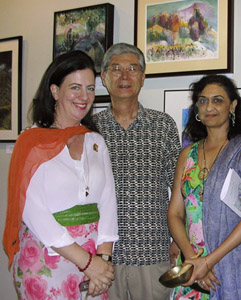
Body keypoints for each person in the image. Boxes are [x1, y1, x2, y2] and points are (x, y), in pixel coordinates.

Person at [3, 50, 119, 299]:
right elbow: (33, 212)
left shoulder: (95, 141)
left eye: (90, 88)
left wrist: (103, 259)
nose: (84, 97)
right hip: (47, 259)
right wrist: (89, 263)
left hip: (94, 266)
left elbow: (108, 202)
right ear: (55, 91)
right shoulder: (30, 142)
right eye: (75, 87)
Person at [168, 75, 241, 300]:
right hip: (192, 264)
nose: (209, 107)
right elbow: (175, 213)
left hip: (231, 260)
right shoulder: (187, 155)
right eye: (203, 101)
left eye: (218, 100)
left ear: (232, 105)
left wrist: (208, 261)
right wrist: (192, 260)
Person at [92, 43, 181, 300]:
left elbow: (178, 189)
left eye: (132, 69)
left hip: (153, 252)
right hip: (102, 255)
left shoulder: (162, 125)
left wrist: (179, 238)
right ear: (104, 78)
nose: (124, 76)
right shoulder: (89, 130)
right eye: (116, 69)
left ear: (142, 78)